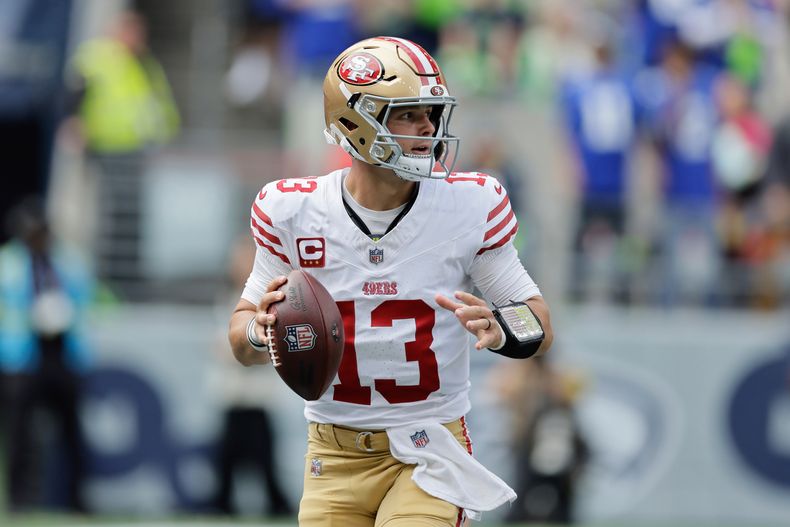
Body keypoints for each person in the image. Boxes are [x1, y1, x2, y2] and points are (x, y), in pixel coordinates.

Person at [228, 37, 553, 526]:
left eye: (431, 113)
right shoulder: (295, 211)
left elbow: (541, 325)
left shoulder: (468, 206)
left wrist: (503, 326)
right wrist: (264, 332)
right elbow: (240, 337)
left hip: (428, 449)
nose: (428, 128)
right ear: (354, 123)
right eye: (407, 114)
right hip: (332, 455)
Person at [65, 9, 179, 298]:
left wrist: (164, 135)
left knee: (131, 216)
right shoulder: (96, 57)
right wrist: (75, 124)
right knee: (112, 215)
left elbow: (157, 104)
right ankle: (107, 279)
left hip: (136, 150)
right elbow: (75, 93)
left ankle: (128, 281)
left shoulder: (142, 63)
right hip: (107, 147)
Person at [0, 197, 94, 511]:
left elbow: (85, 299)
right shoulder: (7, 263)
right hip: (22, 357)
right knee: (20, 433)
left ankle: (76, 500)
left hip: (62, 354)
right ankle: (18, 500)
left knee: (71, 432)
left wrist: (62, 313)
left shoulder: (67, 261)